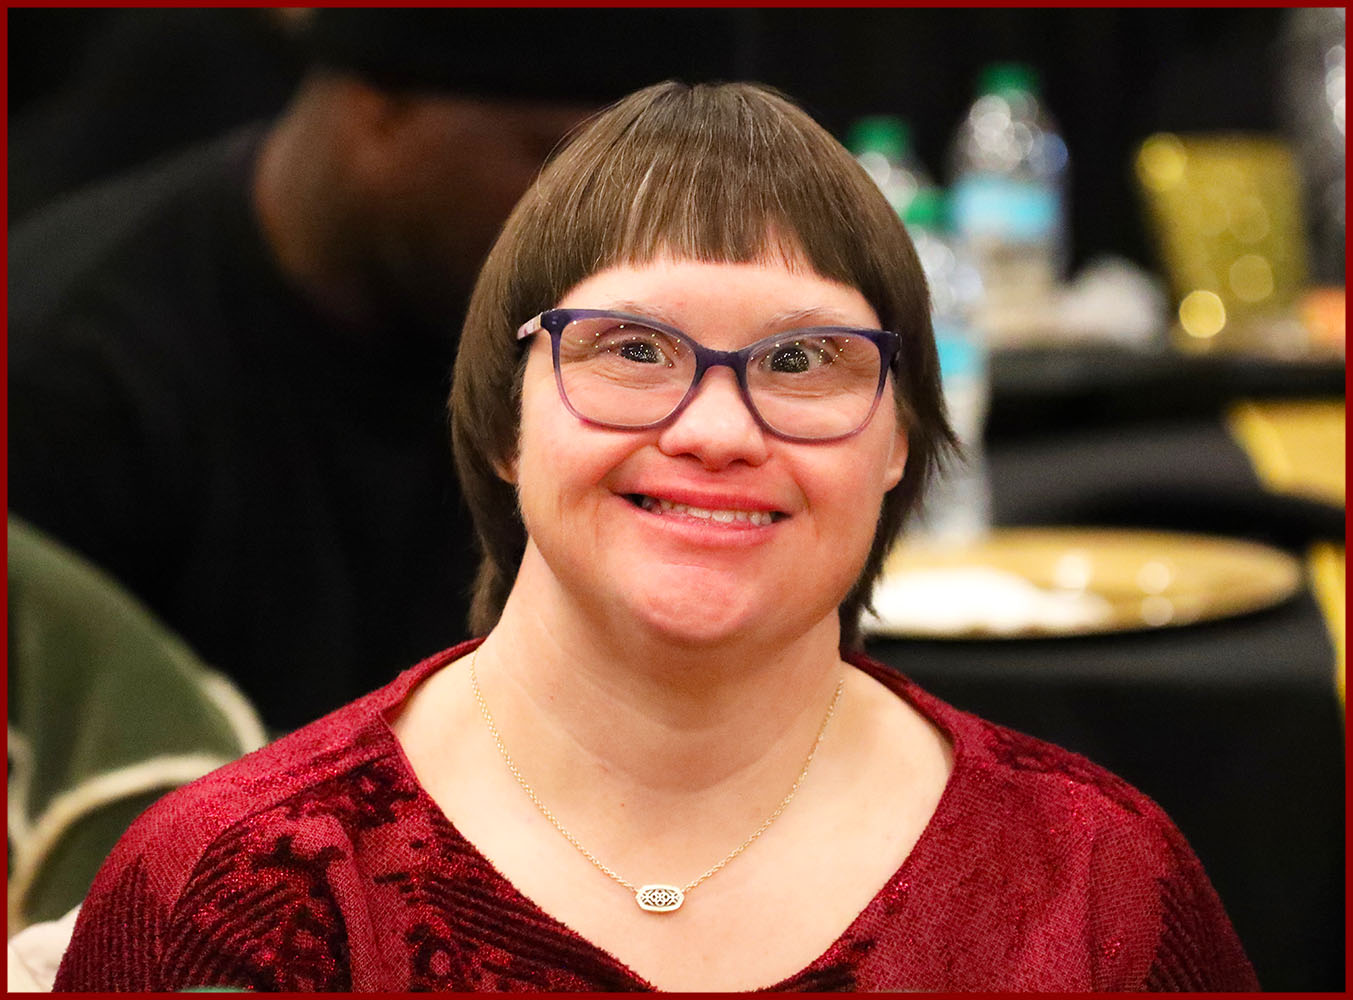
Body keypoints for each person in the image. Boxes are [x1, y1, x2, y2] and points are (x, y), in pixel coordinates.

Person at [53, 81, 1258, 992]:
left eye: (802, 360)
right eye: (633, 349)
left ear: (900, 444)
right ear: (505, 423)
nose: (720, 428)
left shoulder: (1097, 888)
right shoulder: (240, 885)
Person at [8, 9, 748, 732]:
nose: (606, 229)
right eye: (549, 158)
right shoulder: (73, 375)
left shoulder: (552, 333)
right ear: (380, 106)